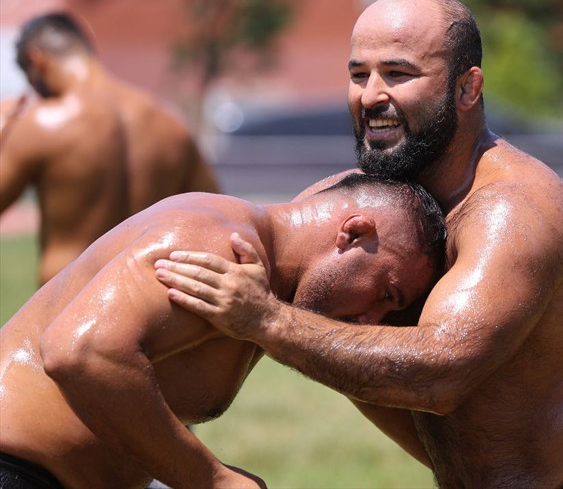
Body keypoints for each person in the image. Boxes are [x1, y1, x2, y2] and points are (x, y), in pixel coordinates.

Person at [154, 0, 563, 487]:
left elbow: (442, 373)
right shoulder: (351, 207)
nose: (371, 96)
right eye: (358, 73)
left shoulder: (511, 209)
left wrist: (268, 320)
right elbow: (267, 294)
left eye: (398, 73)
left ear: (468, 87)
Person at [0, 173, 447, 489]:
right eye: (387, 294)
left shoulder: (259, 294)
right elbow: (80, 353)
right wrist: (209, 479)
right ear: (353, 234)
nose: (372, 319)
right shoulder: (219, 244)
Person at [0, 12, 219, 285]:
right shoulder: (170, 124)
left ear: (37, 61)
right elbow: (216, 217)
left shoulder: (43, 124)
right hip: (152, 309)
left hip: (67, 309)